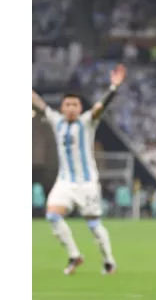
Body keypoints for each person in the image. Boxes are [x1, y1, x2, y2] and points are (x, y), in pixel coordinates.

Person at [31, 64, 127, 275]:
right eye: (68, 104)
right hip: (64, 181)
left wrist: (113, 88)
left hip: (86, 182)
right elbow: (37, 102)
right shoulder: (56, 121)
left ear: (80, 108)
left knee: (93, 224)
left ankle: (109, 261)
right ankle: (75, 256)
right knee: (52, 216)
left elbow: (100, 107)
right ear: (62, 107)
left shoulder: (86, 122)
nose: (71, 108)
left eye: (75, 104)